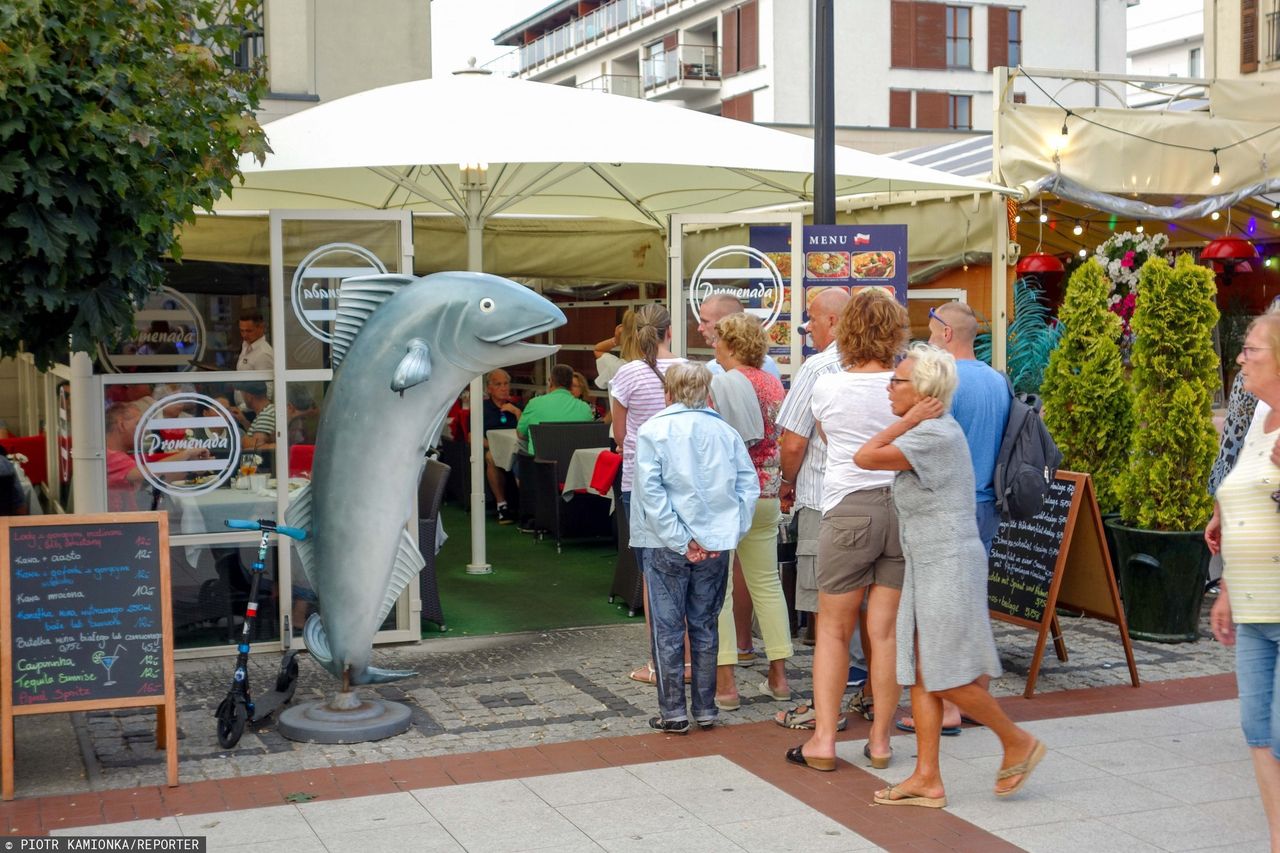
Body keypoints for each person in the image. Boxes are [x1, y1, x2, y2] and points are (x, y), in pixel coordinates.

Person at [854, 343, 1045, 807]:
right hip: (931, 561)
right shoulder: (931, 430)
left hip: (949, 563)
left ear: (923, 392)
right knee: (922, 675)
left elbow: (865, 456)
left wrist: (909, 419)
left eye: (897, 381)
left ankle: (1016, 740)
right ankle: (927, 778)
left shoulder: (931, 434)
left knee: (942, 677)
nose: (889, 387)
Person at [785, 288, 904, 773]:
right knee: (886, 633)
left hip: (847, 510)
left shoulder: (827, 385)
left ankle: (825, 741)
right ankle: (880, 741)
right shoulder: (904, 386)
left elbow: (828, 442)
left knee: (833, 631)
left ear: (845, 329)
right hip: (900, 510)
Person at [894, 301, 1012, 737]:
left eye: (929, 330)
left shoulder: (948, 386)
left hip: (948, 507)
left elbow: (925, 443)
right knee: (970, 609)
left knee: (940, 618)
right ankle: (974, 699)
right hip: (987, 503)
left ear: (946, 333)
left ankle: (946, 709)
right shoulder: (998, 381)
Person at [631, 362, 759, 733]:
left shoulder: (654, 430)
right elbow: (747, 486)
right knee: (705, 624)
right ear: (707, 393)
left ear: (667, 393)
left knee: (668, 628)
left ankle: (673, 712)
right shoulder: (725, 431)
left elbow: (650, 492)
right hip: (715, 543)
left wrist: (679, 538)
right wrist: (728, 532)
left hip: (665, 542)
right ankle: (705, 709)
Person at [1207, 312, 1280, 848]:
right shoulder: (1259, 416)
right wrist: (1228, 589)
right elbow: (1244, 504)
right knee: (1258, 733)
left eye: (1251, 348)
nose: (1240, 358)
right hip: (1254, 607)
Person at [773, 287, 853, 731]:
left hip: (824, 502)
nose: (808, 329)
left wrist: (787, 483)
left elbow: (794, 440)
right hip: (879, 503)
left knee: (825, 615)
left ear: (835, 322)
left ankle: (826, 711)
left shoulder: (820, 367)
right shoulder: (889, 365)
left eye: (813, 320)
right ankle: (870, 700)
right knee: (873, 615)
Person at [707, 312, 794, 708]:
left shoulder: (723, 383)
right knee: (767, 584)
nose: (713, 345)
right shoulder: (773, 383)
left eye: (718, 339)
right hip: (768, 492)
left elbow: (712, 437)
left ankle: (726, 685)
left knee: (719, 589)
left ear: (732, 344)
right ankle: (779, 678)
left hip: (729, 496)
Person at [611, 304, 687, 684]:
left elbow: (621, 436)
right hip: (686, 481)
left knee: (651, 574)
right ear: (669, 330)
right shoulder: (691, 370)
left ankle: (659, 664)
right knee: (690, 566)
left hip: (640, 482)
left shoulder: (627, 375)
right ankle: (690, 660)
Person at [104, 402, 210, 512]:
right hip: (119, 525)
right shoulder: (111, 457)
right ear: (121, 426)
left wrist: (190, 465)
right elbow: (146, 474)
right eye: (138, 424)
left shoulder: (115, 456)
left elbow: (155, 479)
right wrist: (186, 454)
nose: (144, 429)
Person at [697, 293, 783, 381]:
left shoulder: (712, 371)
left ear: (726, 322)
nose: (699, 328)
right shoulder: (767, 364)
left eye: (705, 322)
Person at [516, 364, 593, 457]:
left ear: (551, 382)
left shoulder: (534, 403)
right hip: (572, 467)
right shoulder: (585, 408)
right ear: (570, 384)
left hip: (539, 466)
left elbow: (521, 434)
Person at [482, 369, 523, 524]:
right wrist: (495, 446)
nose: (504, 388)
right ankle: (502, 505)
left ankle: (528, 508)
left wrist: (517, 412)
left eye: (506, 384)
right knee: (491, 457)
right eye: (498, 384)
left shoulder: (517, 406)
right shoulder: (483, 408)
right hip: (494, 450)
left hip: (517, 449)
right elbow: (472, 438)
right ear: (489, 388)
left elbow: (526, 431)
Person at [240, 382, 276, 457]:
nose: (243, 398)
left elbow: (255, 446)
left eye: (242, 394)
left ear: (249, 396)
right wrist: (244, 421)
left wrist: (241, 440)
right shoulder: (266, 411)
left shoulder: (266, 415)